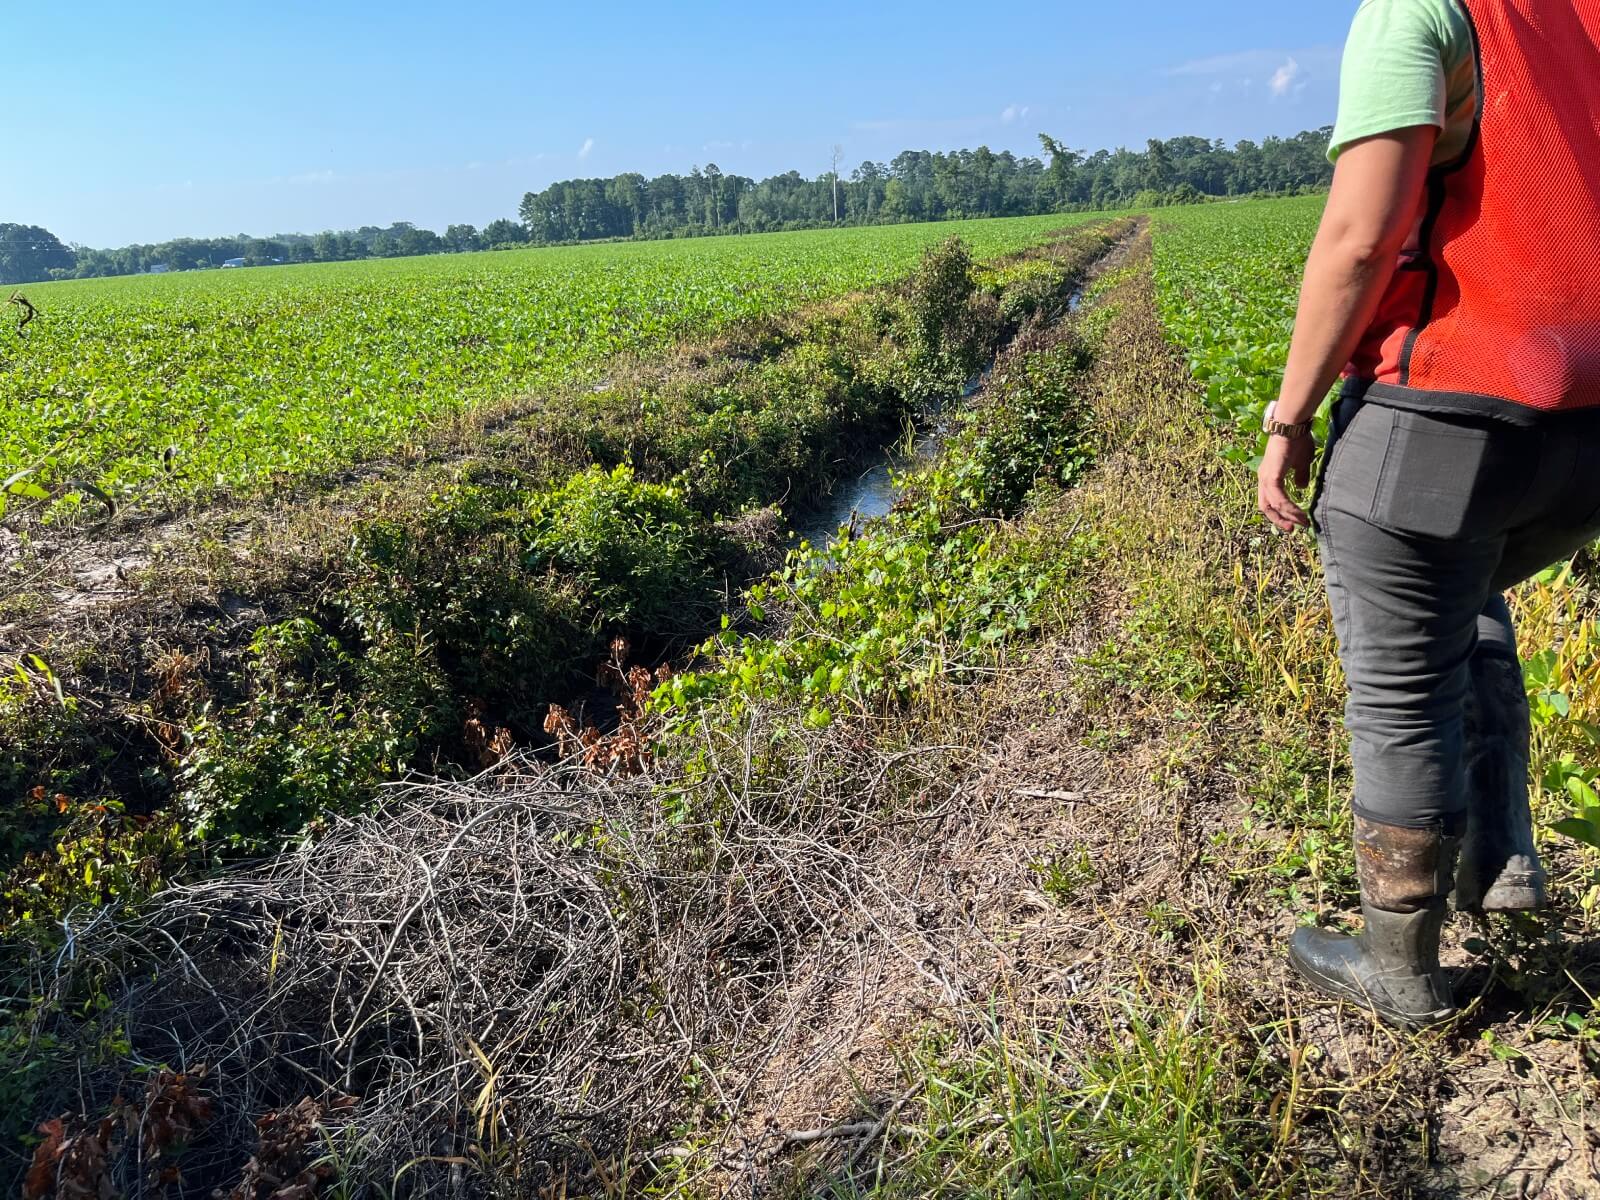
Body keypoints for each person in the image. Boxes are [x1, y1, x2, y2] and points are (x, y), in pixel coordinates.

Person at [1257, 0, 1600, 1029]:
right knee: (1469, 585)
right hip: (1580, 438)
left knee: (1400, 694)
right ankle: (1498, 851)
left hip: (1442, 414)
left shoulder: (1423, 13)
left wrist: (1291, 416)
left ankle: (1400, 977)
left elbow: (1360, 241)